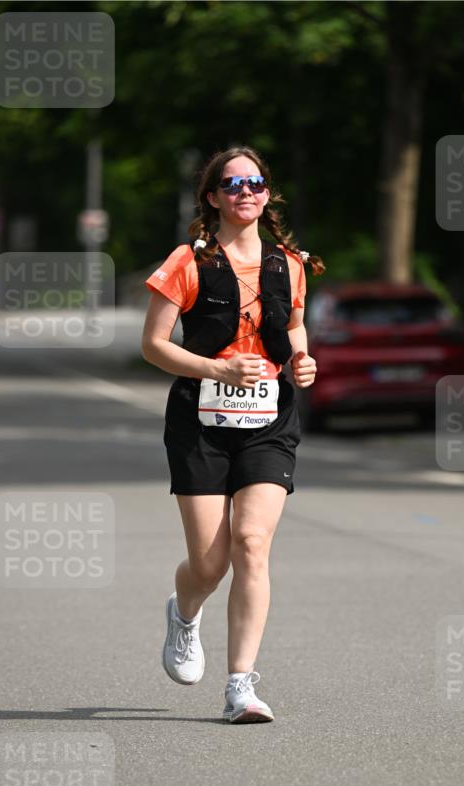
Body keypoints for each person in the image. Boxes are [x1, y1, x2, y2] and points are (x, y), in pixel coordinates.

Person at [141, 145, 324, 723]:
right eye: (234, 183)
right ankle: (185, 611)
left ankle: (240, 686)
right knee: (210, 562)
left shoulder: (289, 264)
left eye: (257, 182)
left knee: (251, 543)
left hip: (269, 421)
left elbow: (294, 330)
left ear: (267, 195)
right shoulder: (188, 262)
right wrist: (216, 368)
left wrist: (303, 361)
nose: (246, 191)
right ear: (214, 197)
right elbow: (154, 345)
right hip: (199, 422)